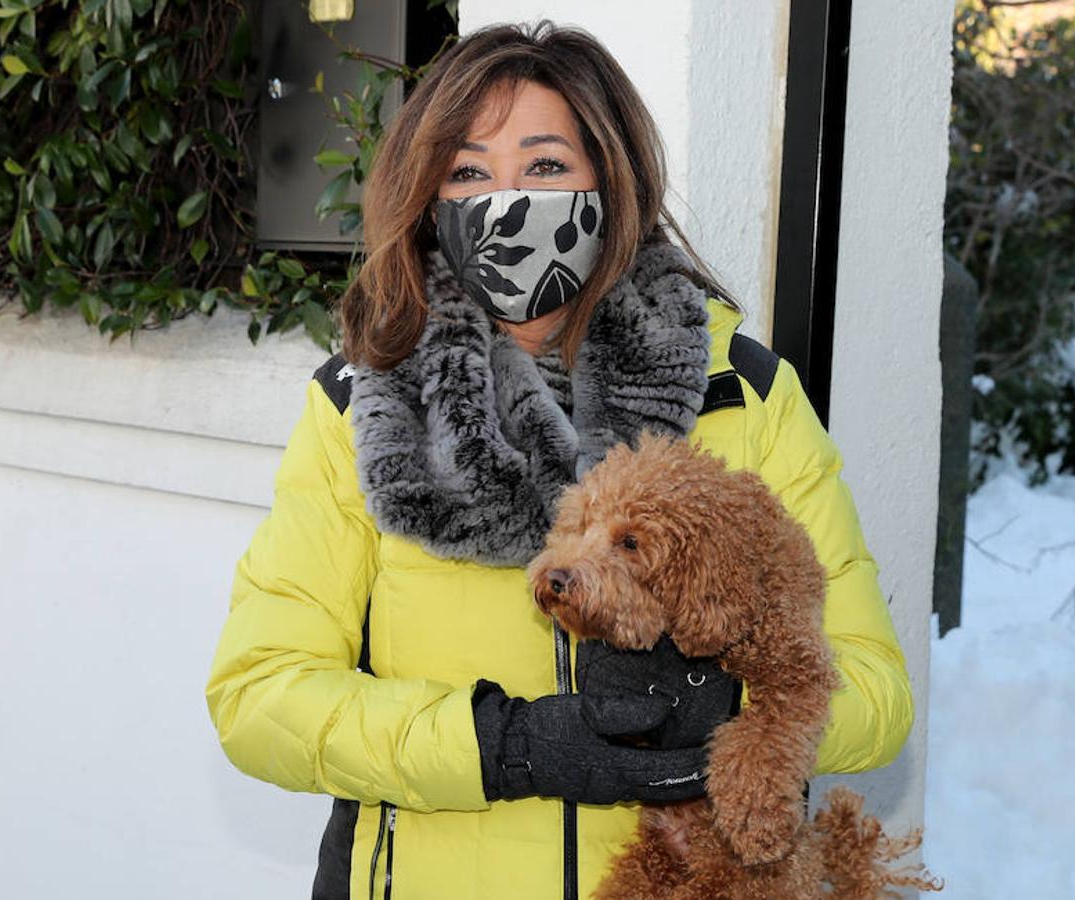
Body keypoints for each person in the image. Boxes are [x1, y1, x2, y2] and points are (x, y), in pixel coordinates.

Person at [205, 20, 913, 900]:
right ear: (426, 197)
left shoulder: (744, 394)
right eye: (468, 172)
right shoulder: (362, 406)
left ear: (609, 180)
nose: (506, 201)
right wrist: (508, 745)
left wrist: (718, 708)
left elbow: (876, 694)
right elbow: (260, 697)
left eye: (544, 167)